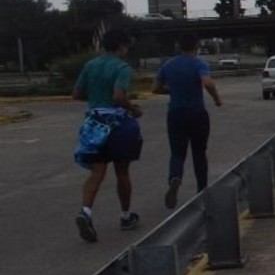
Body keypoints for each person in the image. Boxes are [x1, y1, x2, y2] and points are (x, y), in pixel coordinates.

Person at [72, 28, 144, 242]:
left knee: (97, 173)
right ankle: (125, 216)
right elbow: (119, 95)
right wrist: (133, 109)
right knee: (122, 172)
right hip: (118, 125)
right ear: (121, 46)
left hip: (95, 124)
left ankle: (85, 211)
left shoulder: (90, 65)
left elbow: (76, 94)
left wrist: (96, 98)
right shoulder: (122, 67)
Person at [154, 34, 223, 209]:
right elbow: (207, 82)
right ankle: (202, 191)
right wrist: (216, 98)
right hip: (197, 113)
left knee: (177, 152)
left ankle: (175, 177)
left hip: (176, 113)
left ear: (179, 46)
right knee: (199, 153)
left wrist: (172, 91)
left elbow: (155, 88)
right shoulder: (199, 63)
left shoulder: (168, 64)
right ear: (197, 46)